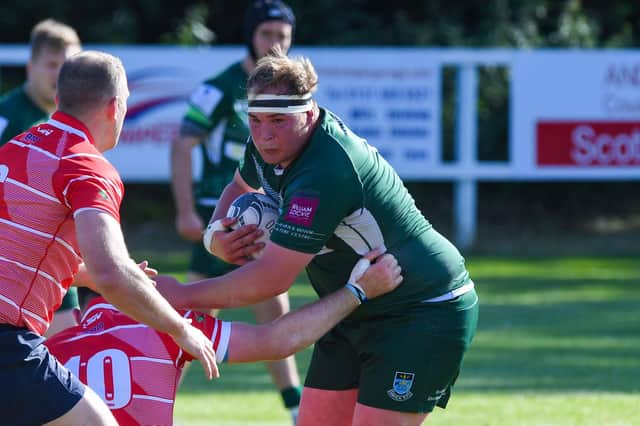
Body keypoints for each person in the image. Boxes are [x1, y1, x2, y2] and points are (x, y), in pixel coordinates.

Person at [158, 48, 480, 426]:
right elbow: (238, 186)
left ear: (308, 114)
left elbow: (270, 280)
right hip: (352, 305)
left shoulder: (325, 170)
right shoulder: (267, 145)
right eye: (256, 120)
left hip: (421, 307)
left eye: (278, 120)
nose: (264, 135)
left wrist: (179, 296)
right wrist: (216, 235)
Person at [0, 50, 218, 426]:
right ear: (115, 107)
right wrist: (181, 329)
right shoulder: (86, 166)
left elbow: (29, 243)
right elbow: (111, 274)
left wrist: (90, 272)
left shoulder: (17, 147)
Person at [46, 249, 402, 426]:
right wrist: (357, 291)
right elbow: (277, 341)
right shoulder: (169, 328)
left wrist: (89, 276)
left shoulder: (47, 349)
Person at [170, 0, 302, 419]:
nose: (276, 43)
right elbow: (181, 144)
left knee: (275, 320)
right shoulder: (219, 88)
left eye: (283, 35)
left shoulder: (292, 93)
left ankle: (296, 409)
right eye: (267, 34)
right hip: (221, 220)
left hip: (267, 224)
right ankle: (152, 402)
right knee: (187, 323)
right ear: (250, 35)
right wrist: (187, 211)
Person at [0, 18, 83, 337]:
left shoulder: (68, 121)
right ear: (29, 67)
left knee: (67, 364)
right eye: (51, 64)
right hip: (17, 271)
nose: (60, 75)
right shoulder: (9, 119)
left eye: (69, 66)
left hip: (56, 264)